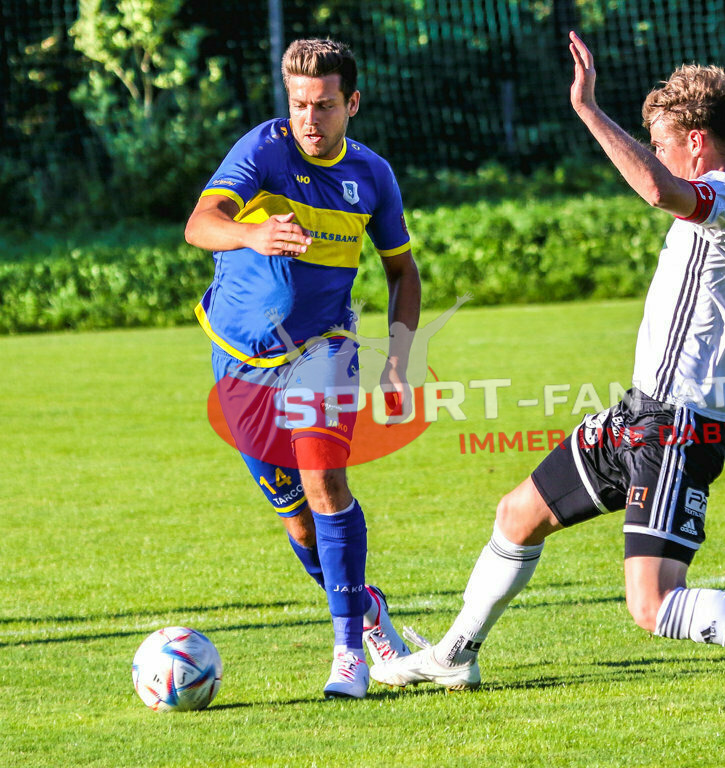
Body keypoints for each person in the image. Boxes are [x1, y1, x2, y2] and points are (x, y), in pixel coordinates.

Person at [369, 31, 725, 692]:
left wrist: (588, 109)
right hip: (642, 412)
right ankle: (454, 653)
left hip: (682, 421)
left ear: (696, 145)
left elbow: (655, 190)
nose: (658, 156)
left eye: (665, 144)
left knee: (653, 605)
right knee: (517, 514)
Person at [184, 38, 420, 699]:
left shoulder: (372, 175)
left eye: (322, 105)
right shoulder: (264, 149)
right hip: (239, 356)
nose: (308, 119)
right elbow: (200, 224)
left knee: (324, 485)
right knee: (296, 520)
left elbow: (402, 270)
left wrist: (399, 362)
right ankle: (366, 606)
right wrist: (251, 231)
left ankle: (350, 651)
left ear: (352, 103)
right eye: (297, 104)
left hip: (324, 349)